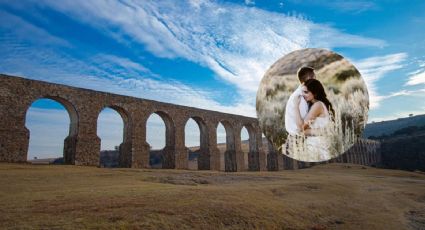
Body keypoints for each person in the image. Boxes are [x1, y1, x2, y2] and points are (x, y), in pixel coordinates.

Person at [294, 78, 335, 161]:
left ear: (315, 93)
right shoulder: (317, 105)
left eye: (306, 92)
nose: (303, 94)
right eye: (302, 92)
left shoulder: (318, 105)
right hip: (317, 145)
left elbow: (301, 127)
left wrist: (296, 106)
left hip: (317, 146)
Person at [283, 66, 316, 157]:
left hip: (297, 139)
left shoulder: (303, 94)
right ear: (309, 79)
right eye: (315, 79)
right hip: (298, 141)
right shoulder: (300, 97)